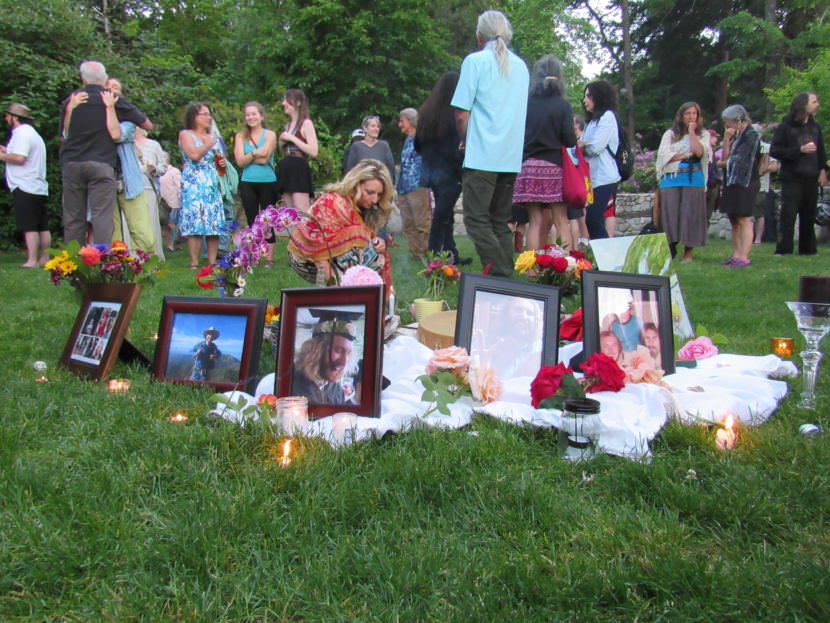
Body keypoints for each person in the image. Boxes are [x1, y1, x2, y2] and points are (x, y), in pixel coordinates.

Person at [451, 9, 529, 277]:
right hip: (509, 156)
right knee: (499, 220)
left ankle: (500, 276)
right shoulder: (521, 66)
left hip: (482, 154)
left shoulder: (475, 62)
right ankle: (507, 275)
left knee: (475, 219)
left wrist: (465, 140)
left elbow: (461, 112)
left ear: (479, 35)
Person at [60, 60, 152, 245]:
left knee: (73, 218)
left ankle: (73, 264)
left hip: (72, 164)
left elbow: (64, 134)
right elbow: (147, 124)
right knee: (101, 216)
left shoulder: (72, 100)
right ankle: (104, 263)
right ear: (104, 78)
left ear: (82, 78)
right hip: (101, 163)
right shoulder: (111, 98)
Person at [287, 159, 394, 287]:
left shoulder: (364, 207)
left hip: (334, 257)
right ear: (355, 185)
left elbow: (367, 237)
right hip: (307, 257)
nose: (375, 199)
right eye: (370, 192)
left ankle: (367, 297)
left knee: (375, 254)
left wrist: (377, 242)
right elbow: (318, 252)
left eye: (379, 194)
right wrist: (333, 287)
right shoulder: (332, 203)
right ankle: (349, 293)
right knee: (362, 251)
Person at [512, 55, 577, 251]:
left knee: (535, 220)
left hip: (529, 166)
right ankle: (565, 266)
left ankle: (532, 269)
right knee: (560, 220)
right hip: (553, 167)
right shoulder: (562, 105)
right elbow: (570, 140)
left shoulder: (527, 103)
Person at [416, 71, 470, 265]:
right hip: (450, 169)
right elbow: (458, 143)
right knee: (442, 214)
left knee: (444, 213)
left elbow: (418, 144)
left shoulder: (427, 112)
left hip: (432, 170)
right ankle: (434, 253)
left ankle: (450, 252)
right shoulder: (454, 114)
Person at [771, 91, 829, 256]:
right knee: (788, 215)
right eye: (814, 101)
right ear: (803, 104)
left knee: (809, 214)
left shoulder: (815, 126)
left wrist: (823, 170)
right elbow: (775, 150)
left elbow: (821, 152)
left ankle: (808, 249)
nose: (817, 104)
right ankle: (784, 249)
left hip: (811, 177)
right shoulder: (786, 126)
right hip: (792, 177)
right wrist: (799, 150)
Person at [105, 78, 158, 258]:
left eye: (115, 88)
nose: (110, 90)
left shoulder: (129, 122)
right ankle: (117, 268)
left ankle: (142, 265)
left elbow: (117, 135)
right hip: (105, 179)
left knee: (143, 232)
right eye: (107, 87)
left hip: (129, 180)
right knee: (113, 233)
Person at [655, 101, 712, 263]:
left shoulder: (704, 135)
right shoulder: (670, 134)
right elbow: (663, 155)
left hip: (694, 178)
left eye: (694, 113)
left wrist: (692, 133)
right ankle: (669, 249)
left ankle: (688, 252)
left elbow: (699, 152)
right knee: (670, 215)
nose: (691, 116)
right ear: (681, 116)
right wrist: (686, 155)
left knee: (691, 215)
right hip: (671, 179)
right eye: (687, 113)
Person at [0, 103, 50, 268]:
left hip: (25, 185)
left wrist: (2, 156)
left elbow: (20, 158)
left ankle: (32, 260)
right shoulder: (32, 133)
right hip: (38, 186)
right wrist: (6, 151)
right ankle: (44, 258)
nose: (6, 119)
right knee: (42, 225)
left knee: (29, 226)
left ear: (15, 117)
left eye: (7, 116)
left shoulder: (22, 133)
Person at [178, 101, 226, 268]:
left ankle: (212, 262)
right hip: (193, 183)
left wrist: (222, 163)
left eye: (209, 113)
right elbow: (193, 155)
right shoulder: (186, 135)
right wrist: (208, 144)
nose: (208, 117)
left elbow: (221, 165)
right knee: (195, 223)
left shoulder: (214, 138)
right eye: (204, 114)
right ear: (194, 116)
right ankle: (194, 262)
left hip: (212, 184)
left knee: (214, 225)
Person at [234, 101, 278, 263]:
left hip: (268, 180)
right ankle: (256, 255)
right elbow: (239, 161)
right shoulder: (240, 136)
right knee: (252, 220)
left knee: (268, 220)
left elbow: (265, 155)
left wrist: (250, 156)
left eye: (254, 114)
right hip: (247, 181)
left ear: (261, 116)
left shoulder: (270, 134)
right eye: (248, 114)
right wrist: (254, 154)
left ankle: (269, 258)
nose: (251, 117)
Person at [720, 104, 761, 268]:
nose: (727, 126)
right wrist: (726, 139)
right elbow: (726, 156)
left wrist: (725, 163)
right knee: (734, 218)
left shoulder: (752, 135)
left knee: (744, 218)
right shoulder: (737, 136)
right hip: (732, 181)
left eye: (728, 123)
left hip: (746, 181)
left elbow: (744, 159)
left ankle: (744, 256)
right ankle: (735, 254)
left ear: (737, 120)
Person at [578, 80, 620, 240]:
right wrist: (583, 144)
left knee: (593, 219)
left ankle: (607, 260)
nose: (585, 100)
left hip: (605, 177)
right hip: (592, 179)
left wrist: (584, 144)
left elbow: (596, 147)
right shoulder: (591, 122)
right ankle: (602, 260)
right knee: (592, 220)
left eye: (589, 96)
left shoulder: (608, 117)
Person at [292, 315, 357, 404]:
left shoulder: (337, 391)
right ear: (316, 349)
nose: (344, 362)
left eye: (348, 353)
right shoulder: (290, 385)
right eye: (338, 350)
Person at [396, 107, 431, 262]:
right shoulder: (407, 140)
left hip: (418, 186)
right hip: (403, 187)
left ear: (410, 122)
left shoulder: (422, 138)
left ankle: (425, 254)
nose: (399, 124)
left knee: (421, 223)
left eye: (402, 121)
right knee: (408, 223)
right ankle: (415, 254)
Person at [278, 89, 317, 212]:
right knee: (289, 213)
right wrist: (282, 141)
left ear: (298, 103)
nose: (284, 103)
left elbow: (313, 151)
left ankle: (305, 232)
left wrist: (291, 138)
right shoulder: (287, 125)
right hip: (286, 167)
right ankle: (295, 232)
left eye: (287, 100)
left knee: (302, 212)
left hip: (299, 168)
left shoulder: (306, 123)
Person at [134, 127, 168, 259]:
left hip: (149, 186)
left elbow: (163, 167)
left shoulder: (154, 145)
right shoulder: (125, 144)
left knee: (151, 222)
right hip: (130, 187)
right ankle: (135, 256)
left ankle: (153, 255)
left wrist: (154, 169)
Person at [343, 115, 395, 181]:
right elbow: (350, 171)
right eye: (373, 126)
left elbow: (391, 169)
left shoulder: (384, 146)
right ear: (365, 128)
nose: (376, 129)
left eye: (378, 126)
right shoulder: (356, 146)